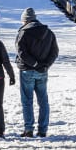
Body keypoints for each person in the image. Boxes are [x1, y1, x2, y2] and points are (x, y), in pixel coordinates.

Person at [15, 7, 59, 137]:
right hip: (42, 72)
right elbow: (54, 52)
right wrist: (45, 65)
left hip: (27, 71)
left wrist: (34, 64)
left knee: (27, 101)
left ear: (25, 20)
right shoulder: (49, 33)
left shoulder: (23, 33)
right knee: (43, 101)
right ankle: (42, 129)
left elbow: (21, 52)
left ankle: (29, 129)